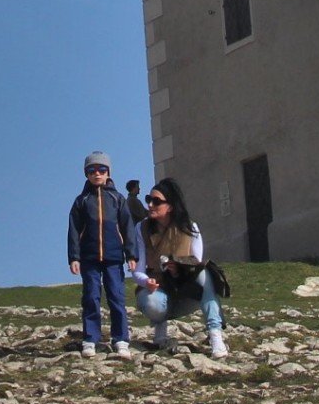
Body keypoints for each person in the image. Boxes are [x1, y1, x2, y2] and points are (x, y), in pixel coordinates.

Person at [137, 178, 228, 358]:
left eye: (156, 201)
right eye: (149, 199)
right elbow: (137, 269)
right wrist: (146, 281)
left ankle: (215, 335)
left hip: (186, 290)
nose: (150, 205)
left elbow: (197, 262)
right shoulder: (142, 228)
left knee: (206, 273)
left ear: (170, 206)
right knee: (152, 303)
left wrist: (178, 268)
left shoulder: (189, 227)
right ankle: (160, 329)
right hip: (159, 287)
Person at [66, 151, 138, 356]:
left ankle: (121, 339)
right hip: (89, 258)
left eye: (101, 170)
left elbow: (127, 227)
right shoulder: (81, 201)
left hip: (114, 257)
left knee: (116, 296)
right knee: (91, 296)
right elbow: (73, 230)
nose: (97, 174)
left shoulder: (118, 198)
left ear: (108, 173)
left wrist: (131, 255)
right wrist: (74, 257)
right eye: (92, 170)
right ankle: (90, 339)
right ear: (86, 174)